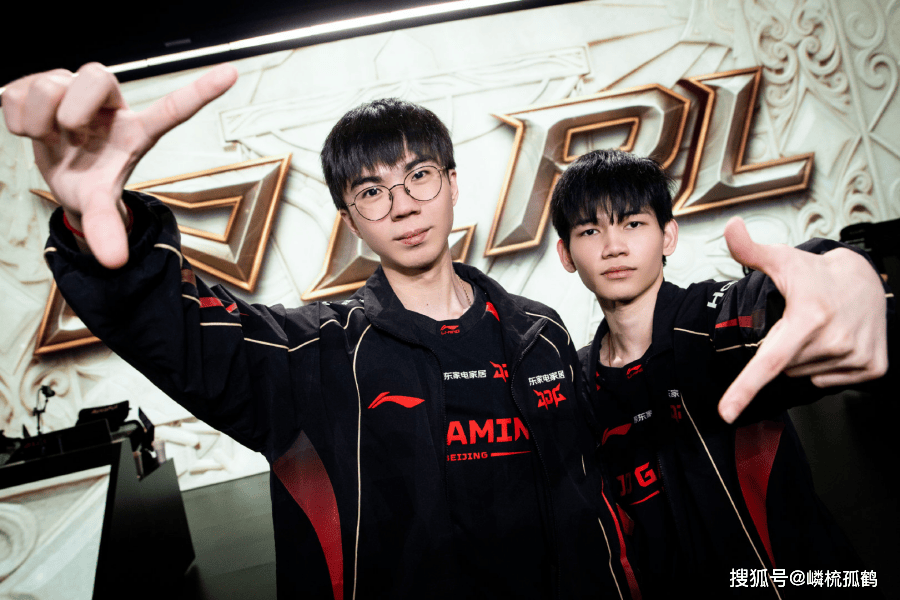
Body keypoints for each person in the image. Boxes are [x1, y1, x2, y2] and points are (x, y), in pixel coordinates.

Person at [1, 64, 640, 599]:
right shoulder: (310, 354)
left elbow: (594, 509)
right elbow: (180, 333)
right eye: (372, 192)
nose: (403, 205)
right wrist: (100, 216)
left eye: (419, 175)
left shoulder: (539, 335)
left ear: (451, 183)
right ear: (349, 220)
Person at [550, 148, 892, 597]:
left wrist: (852, 276)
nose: (614, 246)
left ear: (667, 235)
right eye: (590, 230)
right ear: (566, 253)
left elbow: (768, 303)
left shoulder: (707, 323)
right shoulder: (576, 383)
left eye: (633, 223)